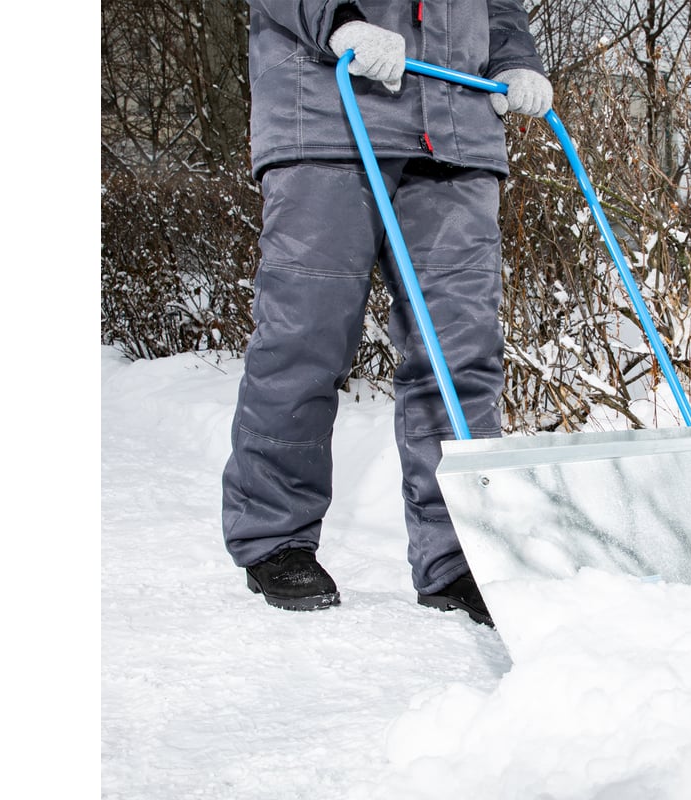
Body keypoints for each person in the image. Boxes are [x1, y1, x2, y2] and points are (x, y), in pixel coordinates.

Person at [222, 0, 552, 627]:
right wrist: (337, 18)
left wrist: (514, 58)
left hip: (457, 126)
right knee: (305, 339)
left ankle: (458, 554)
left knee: (461, 354)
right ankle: (275, 536)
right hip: (327, 111)